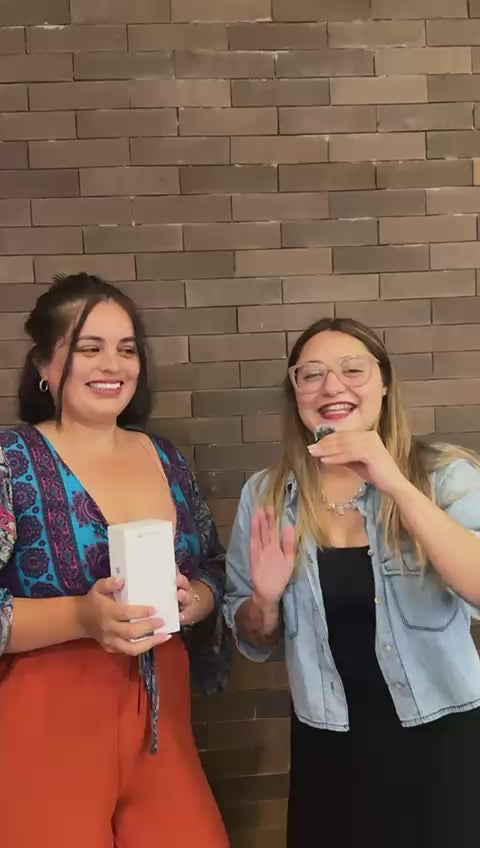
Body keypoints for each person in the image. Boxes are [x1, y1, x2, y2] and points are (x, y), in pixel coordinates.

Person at [223, 316, 480, 848]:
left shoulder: (445, 476)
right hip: (330, 748)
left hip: (445, 741)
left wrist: (395, 483)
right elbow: (253, 637)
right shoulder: (267, 496)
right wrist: (264, 601)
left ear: (384, 383)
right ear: (295, 392)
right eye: (311, 374)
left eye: (352, 369)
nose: (331, 386)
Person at [0, 273, 230, 848]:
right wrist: (81, 616)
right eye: (89, 347)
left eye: (127, 349)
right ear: (44, 365)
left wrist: (195, 600)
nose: (113, 365)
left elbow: (212, 566)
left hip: (164, 724)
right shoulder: (10, 460)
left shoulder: (165, 457)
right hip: (45, 725)